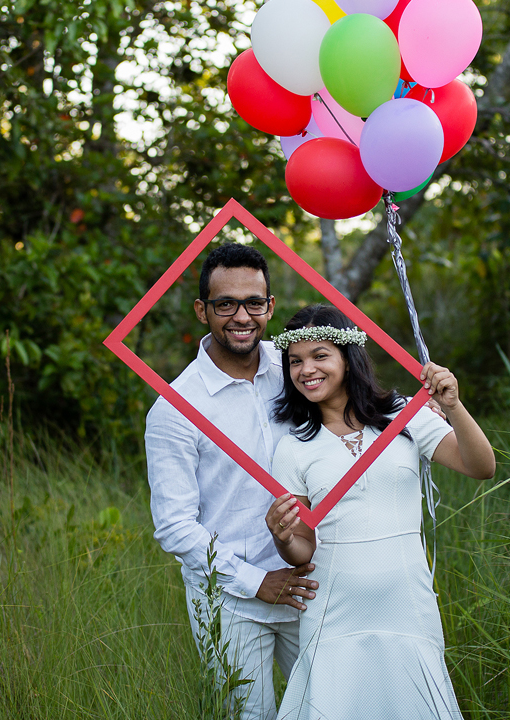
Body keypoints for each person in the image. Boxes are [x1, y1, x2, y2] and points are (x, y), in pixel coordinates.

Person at [265, 304, 496, 720]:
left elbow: (481, 466)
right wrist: (283, 538)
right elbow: (303, 549)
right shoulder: (292, 448)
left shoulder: (404, 416)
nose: (306, 370)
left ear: (348, 359)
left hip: (406, 599)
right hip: (334, 607)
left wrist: (455, 406)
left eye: (320, 356)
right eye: (295, 361)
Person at [144, 242, 320, 720]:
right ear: (203, 310)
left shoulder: (295, 368)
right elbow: (176, 527)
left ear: (270, 307)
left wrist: (422, 404)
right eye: (225, 304)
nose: (241, 316)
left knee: (333, 707)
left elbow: (356, 402)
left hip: (308, 583)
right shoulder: (175, 409)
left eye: (254, 303)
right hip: (229, 601)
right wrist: (255, 580)